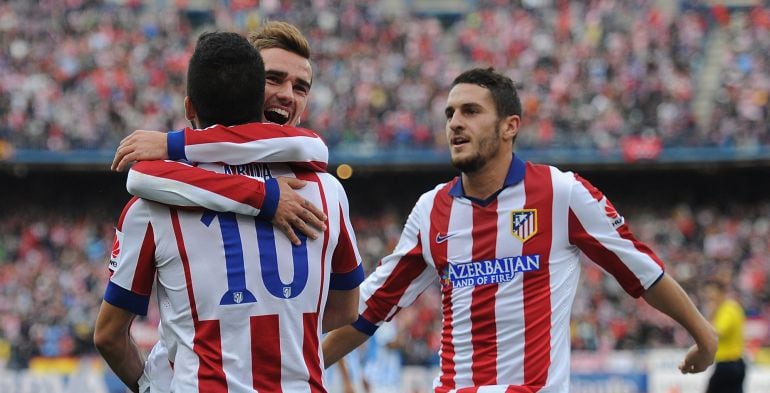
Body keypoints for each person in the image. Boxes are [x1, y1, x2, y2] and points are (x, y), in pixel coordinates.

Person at [320, 67, 717, 392]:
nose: (455, 123)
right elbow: (368, 310)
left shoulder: (562, 194)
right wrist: (294, 372)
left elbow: (642, 270)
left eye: (471, 111)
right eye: (450, 113)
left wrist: (703, 334)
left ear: (510, 126)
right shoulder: (431, 210)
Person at [93, 31, 363, 393]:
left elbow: (110, 336)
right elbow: (345, 310)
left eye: (301, 87)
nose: (286, 94)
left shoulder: (152, 205)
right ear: (252, 90)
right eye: (273, 79)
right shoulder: (326, 192)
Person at [703, 277, 746, 393]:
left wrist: (711, 314)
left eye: (712, 292)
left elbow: (717, 332)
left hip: (728, 364)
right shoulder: (727, 308)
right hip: (733, 364)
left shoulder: (728, 309)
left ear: (721, 292)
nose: (709, 296)